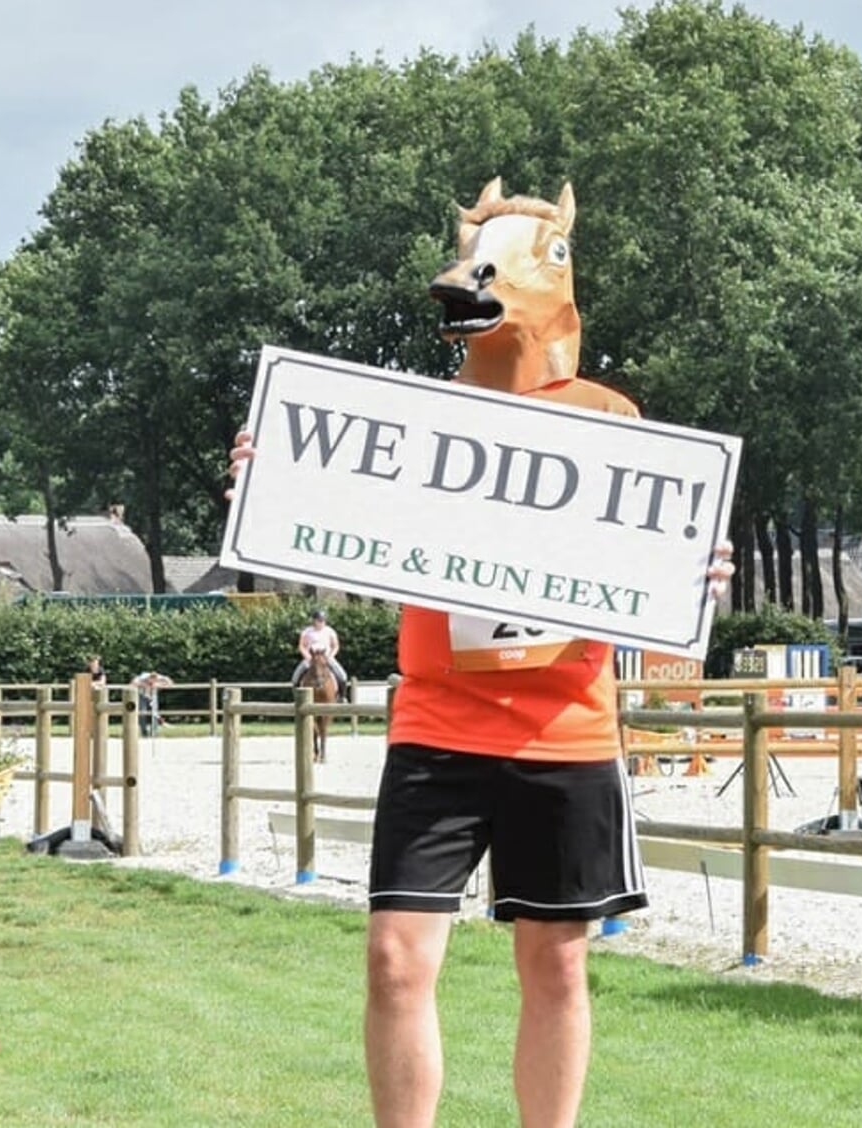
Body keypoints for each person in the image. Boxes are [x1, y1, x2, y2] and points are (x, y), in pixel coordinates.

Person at [228, 179, 733, 1128]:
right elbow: (326, 510)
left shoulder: (613, 415)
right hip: (437, 724)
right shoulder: (412, 425)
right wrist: (275, 475)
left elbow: (654, 558)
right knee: (394, 958)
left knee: (556, 960)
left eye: (492, 271)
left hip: (568, 729)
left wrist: (697, 571)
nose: (467, 291)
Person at [291, 608, 349, 697]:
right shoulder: (307, 631)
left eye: (322, 620)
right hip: (311, 658)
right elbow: (301, 646)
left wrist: (330, 656)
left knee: (343, 676)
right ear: (314, 620)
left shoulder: (330, 631)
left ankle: (342, 697)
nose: (321, 623)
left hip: (326, 657)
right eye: (318, 620)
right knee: (295, 677)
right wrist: (307, 656)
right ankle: (297, 697)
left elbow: (335, 646)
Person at [130, 670, 174, 736]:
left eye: (154, 681)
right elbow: (133, 683)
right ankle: (144, 732)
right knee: (142, 713)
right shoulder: (143, 677)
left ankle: (154, 732)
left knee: (155, 713)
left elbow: (170, 683)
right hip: (142, 696)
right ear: (149, 678)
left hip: (153, 696)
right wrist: (144, 685)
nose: (152, 682)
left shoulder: (160, 677)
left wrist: (160, 685)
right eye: (151, 681)